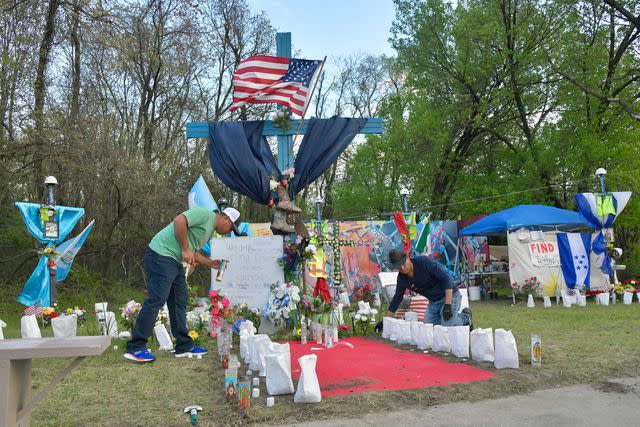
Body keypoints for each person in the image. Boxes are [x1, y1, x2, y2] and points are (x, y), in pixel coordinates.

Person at [124, 206, 241, 363]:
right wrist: (185, 249)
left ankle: (183, 346)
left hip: (174, 261)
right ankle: (135, 347)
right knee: (156, 300)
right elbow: (179, 221)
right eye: (230, 228)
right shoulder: (204, 214)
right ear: (226, 219)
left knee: (179, 301)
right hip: (161, 254)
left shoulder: (209, 230)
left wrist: (211, 262)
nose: (229, 231)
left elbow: (193, 251)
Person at [382, 249, 472, 328]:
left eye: (403, 264)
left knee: (447, 326)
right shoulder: (402, 279)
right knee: (427, 328)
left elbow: (446, 280)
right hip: (434, 302)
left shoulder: (424, 262)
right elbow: (397, 299)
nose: (402, 268)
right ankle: (447, 318)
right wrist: (385, 321)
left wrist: (447, 305)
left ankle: (465, 318)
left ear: (408, 258)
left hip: (450, 296)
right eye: (398, 267)